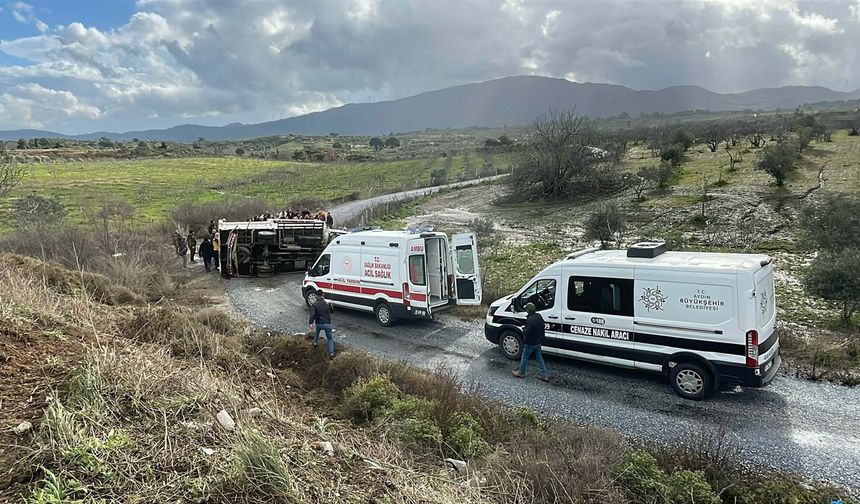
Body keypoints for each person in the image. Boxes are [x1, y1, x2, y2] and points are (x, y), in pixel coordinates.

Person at [512, 303, 549, 382]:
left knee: (524, 357)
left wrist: (523, 329)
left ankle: (521, 372)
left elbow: (527, 333)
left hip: (530, 343)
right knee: (539, 358)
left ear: (528, 311)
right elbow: (541, 327)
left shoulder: (530, 320)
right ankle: (545, 374)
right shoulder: (539, 316)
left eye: (526, 309)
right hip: (538, 342)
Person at [308, 289, 335, 358]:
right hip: (327, 324)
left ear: (316, 295)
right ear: (323, 294)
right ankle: (332, 353)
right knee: (330, 339)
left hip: (319, 323)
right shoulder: (327, 302)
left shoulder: (314, 304)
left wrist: (310, 323)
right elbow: (332, 311)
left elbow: (312, 314)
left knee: (317, 333)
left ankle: (315, 343)